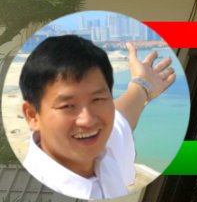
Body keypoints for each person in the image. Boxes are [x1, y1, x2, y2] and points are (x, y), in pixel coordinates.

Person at [19, 35, 177, 200]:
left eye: (98, 99)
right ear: (32, 116)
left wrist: (143, 84)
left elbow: (121, 118)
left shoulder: (104, 150)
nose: (87, 120)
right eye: (67, 106)